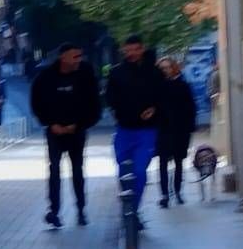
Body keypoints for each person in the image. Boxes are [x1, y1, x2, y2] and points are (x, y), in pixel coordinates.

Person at [31, 44, 101, 227]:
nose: (79, 59)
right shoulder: (46, 77)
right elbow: (36, 102)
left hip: (76, 131)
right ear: (63, 58)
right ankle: (54, 211)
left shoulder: (86, 75)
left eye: (80, 56)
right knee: (54, 170)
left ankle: (81, 210)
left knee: (77, 170)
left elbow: (94, 104)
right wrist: (50, 123)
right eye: (75, 56)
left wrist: (78, 125)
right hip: (54, 132)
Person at [105, 34, 166, 219]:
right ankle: (127, 205)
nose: (131, 53)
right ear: (124, 50)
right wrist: (117, 111)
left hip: (146, 131)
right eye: (128, 50)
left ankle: (133, 211)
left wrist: (154, 109)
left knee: (139, 171)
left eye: (135, 49)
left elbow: (163, 96)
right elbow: (110, 97)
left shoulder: (154, 73)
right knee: (123, 171)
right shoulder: (116, 73)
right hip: (124, 130)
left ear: (142, 49)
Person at [155, 56, 198, 206]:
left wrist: (190, 127)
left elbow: (191, 108)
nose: (166, 70)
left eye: (168, 67)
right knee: (162, 163)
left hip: (180, 130)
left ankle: (178, 192)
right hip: (163, 129)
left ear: (174, 68)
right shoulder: (156, 87)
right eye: (162, 68)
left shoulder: (183, 86)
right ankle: (165, 195)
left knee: (179, 162)